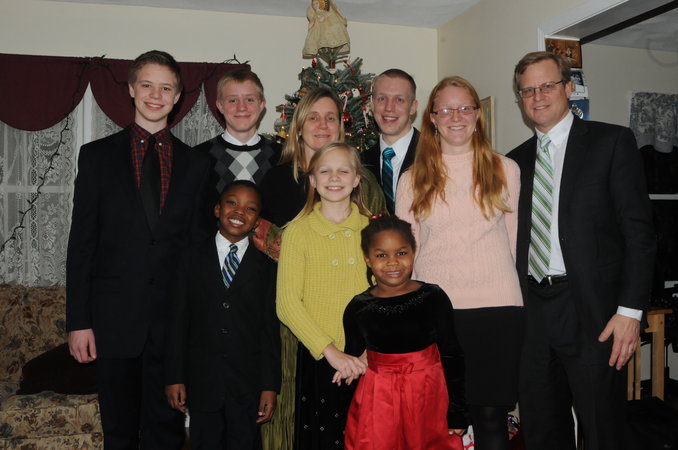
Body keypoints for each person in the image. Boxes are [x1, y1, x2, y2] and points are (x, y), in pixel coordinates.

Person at [507, 51, 656, 450]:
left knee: (602, 428)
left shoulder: (611, 142)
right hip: (532, 313)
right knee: (541, 430)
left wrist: (630, 312)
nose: (537, 96)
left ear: (569, 88)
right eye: (527, 90)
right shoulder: (513, 162)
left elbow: (639, 234)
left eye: (547, 85)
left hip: (593, 312)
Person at [66, 50, 211, 449]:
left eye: (165, 88)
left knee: (167, 433)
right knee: (119, 432)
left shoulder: (197, 166)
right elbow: (81, 245)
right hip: (112, 323)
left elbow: (198, 251)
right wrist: (78, 322)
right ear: (131, 89)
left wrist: (197, 326)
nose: (155, 95)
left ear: (177, 97)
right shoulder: (96, 157)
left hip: (172, 327)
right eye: (147, 85)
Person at [397, 76, 523, 450]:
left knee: (491, 419)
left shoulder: (506, 169)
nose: (456, 117)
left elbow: (514, 243)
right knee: (438, 420)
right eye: (446, 109)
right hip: (436, 313)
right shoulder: (412, 179)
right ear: (432, 118)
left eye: (465, 108)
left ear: (477, 114)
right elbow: (407, 253)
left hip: (497, 310)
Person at [164, 180, 280, 450]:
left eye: (250, 208)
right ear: (217, 209)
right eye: (232, 203)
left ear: (257, 222)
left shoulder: (267, 267)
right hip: (202, 381)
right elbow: (177, 322)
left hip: (247, 385)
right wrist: (174, 376)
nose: (239, 211)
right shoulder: (190, 258)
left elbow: (269, 330)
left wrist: (269, 386)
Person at [339, 214, 467, 450]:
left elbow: (452, 354)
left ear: (413, 252)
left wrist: (457, 410)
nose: (392, 262)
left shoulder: (433, 297)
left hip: (428, 396)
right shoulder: (357, 308)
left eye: (401, 253)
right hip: (378, 401)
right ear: (367, 259)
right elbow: (353, 363)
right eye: (381, 255)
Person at [276, 142, 372, 449]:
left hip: (369, 358)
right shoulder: (298, 232)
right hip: (320, 355)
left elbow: (387, 299)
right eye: (325, 171)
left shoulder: (373, 231)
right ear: (313, 180)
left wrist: (367, 354)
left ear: (356, 179)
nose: (334, 178)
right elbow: (287, 304)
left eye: (343, 171)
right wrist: (331, 352)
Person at [260, 87, 386, 228]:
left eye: (330, 118)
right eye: (313, 118)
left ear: (339, 127)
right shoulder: (276, 181)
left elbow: (383, 233)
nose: (323, 125)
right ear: (299, 128)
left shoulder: (364, 181)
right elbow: (265, 236)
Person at [194, 68, 280, 208]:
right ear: (220, 106)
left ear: (261, 105)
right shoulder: (198, 157)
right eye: (233, 100)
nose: (241, 107)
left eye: (249, 99)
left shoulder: (282, 157)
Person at [362, 69, 420, 213]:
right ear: (372, 104)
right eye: (382, 99)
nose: (389, 108)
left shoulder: (436, 155)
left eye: (399, 100)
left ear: (413, 107)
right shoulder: (360, 163)